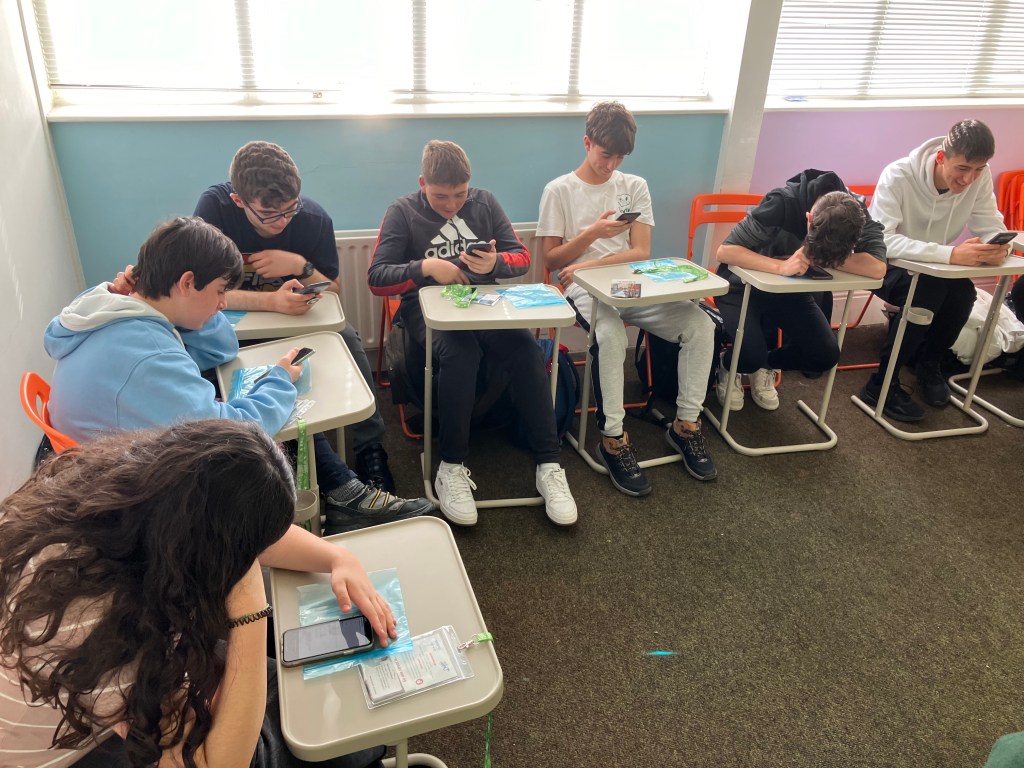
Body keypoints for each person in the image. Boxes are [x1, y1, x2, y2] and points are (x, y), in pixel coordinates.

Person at [0, 420, 393, 768]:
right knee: (296, 729)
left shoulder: (130, 491)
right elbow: (217, 764)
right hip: (79, 744)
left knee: (290, 690)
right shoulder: (97, 627)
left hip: (97, 685)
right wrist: (251, 611)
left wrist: (337, 558)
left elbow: (237, 522)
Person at [44, 216, 433, 535]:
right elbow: (234, 431)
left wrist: (195, 310)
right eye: (218, 292)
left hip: (113, 460)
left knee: (255, 390)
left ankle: (342, 490)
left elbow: (222, 349)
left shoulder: (112, 308)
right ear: (186, 283)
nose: (221, 304)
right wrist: (278, 379)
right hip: (132, 498)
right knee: (275, 406)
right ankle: (340, 496)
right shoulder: (149, 357)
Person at [367, 140, 577, 527]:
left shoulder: (485, 202)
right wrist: (426, 268)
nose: (451, 205)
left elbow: (521, 257)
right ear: (422, 184)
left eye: (460, 195)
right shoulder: (403, 211)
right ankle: (450, 465)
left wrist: (495, 262)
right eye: (440, 196)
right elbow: (377, 278)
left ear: (470, 185)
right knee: (460, 352)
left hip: (484, 301)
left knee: (526, 349)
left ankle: (549, 463)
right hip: (425, 307)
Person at [193, 140, 397, 492]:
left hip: (293, 320)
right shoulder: (214, 211)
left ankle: (370, 446)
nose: (282, 221)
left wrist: (300, 266)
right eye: (269, 214)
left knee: (347, 339)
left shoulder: (313, 219)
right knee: (211, 365)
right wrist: (271, 301)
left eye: (290, 209)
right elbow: (200, 291)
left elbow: (333, 289)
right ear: (239, 201)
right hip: (232, 325)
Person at [536, 101, 718, 496]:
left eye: (620, 157)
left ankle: (686, 426)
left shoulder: (634, 186)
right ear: (587, 142)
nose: (611, 165)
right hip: (583, 288)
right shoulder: (559, 190)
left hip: (630, 284)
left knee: (701, 325)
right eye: (606, 154)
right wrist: (592, 235)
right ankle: (613, 439)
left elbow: (640, 252)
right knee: (611, 335)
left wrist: (588, 264)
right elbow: (551, 261)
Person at [860, 119, 1018, 421]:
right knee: (927, 293)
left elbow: (989, 222)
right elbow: (884, 240)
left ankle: (929, 365)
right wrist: (952, 254)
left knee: (963, 293)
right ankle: (880, 384)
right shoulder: (898, 175)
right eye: (963, 168)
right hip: (882, 263)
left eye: (978, 169)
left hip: (933, 265)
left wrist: (998, 246)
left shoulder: (979, 177)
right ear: (942, 157)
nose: (969, 179)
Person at [714, 171, 887, 410]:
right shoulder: (781, 202)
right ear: (809, 217)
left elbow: (877, 267)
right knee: (750, 355)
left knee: (825, 354)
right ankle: (729, 365)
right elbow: (725, 252)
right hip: (740, 286)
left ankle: (765, 365)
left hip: (789, 292)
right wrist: (780, 266)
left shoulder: (855, 213)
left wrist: (816, 255)